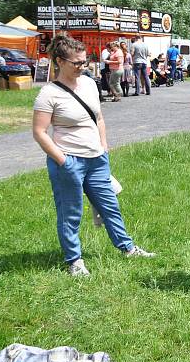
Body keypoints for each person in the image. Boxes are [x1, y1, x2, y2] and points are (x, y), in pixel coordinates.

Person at [32, 35, 155, 276]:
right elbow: (39, 132)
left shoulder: (88, 83)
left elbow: (98, 118)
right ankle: (74, 260)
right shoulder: (48, 94)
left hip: (97, 158)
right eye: (76, 63)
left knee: (110, 206)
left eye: (84, 61)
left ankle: (127, 247)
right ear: (60, 61)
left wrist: (104, 146)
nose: (82, 67)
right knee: (71, 212)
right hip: (68, 160)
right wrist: (63, 160)